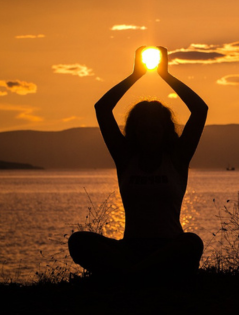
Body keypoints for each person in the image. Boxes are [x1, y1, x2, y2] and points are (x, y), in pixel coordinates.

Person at [68, 46, 208, 282]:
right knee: (78, 241)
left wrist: (165, 75)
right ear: (135, 131)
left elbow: (200, 110)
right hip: (130, 249)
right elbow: (102, 109)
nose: (149, 134)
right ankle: (142, 275)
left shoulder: (177, 159)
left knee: (192, 243)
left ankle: (130, 276)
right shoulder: (125, 159)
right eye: (143, 129)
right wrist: (136, 75)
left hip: (169, 247)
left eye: (155, 128)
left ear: (165, 131)